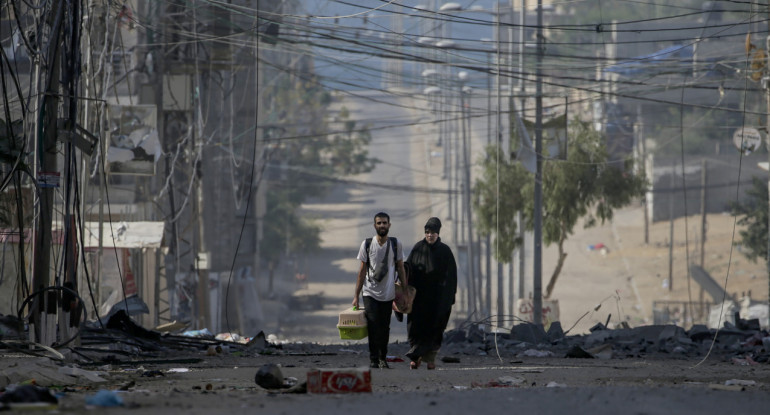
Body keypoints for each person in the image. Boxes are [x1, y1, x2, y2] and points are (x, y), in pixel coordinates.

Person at [353, 212, 406, 369]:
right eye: (379, 223)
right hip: (369, 292)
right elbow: (362, 271)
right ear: (374, 225)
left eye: (384, 223)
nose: (382, 225)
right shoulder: (367, 244)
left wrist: (405, 291)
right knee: (373, 325)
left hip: (388, 293)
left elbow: (401, 268)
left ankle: (383, 357)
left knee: (385, 326)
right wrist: (356, 295)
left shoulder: (396, 244)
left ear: (389, 225)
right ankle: (374, 359)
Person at [404, 217, 457, 370]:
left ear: (438, 233)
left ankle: (430, 359)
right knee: (415, 328)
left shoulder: (445, 251)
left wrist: (448, 297)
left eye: (433, 232)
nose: (430, 235)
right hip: (419, 299)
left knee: (435, 329)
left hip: (438, 299)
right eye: (427, 232)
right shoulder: (418, 248)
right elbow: (408, 270)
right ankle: (415, 358)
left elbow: (452, 276)